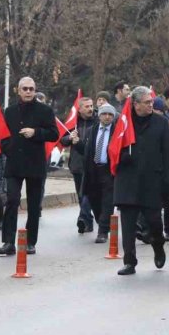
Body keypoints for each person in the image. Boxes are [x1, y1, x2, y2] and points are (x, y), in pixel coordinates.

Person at [114, 86, 169, 275]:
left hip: (152, 181)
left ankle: (158, 244)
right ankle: (129, 261)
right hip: (128, 180)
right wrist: (122, 157)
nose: (151, 105)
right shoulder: (123, 122)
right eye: (147, 102)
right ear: (136, 104)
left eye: (151, 101)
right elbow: (114, 146)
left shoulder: (161, 123)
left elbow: (168, 154)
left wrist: (168, 179)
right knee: (128, 225)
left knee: (155, 221)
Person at [0, 77, 59, 256]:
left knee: (33, 204)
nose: (28, 92)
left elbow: (54, 134)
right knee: (12, 200)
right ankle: (8, 242)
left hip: (35, 163)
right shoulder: (9, 111)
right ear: (18, 90)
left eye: (31, 89)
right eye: (25, 89)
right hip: (15, 163)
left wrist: (36, 132)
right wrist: (8, 149)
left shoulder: (45, 110)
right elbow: (3, 135)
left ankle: (30, 241)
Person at [77, 104, 117, 243]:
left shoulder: (117, 131)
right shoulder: (91, 130)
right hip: (93, 169)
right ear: (99, 115)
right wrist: (76, 143)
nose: (107, 117)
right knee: (94, 199)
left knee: (107, 201)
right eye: (104, 114)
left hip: (109, 170)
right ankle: (103, 223)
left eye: (110, 115)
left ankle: (103, 231)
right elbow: (85, 150)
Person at [60, 96, 97, 234]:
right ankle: (87, 221)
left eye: (91, 106)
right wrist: (69, 138)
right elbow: (62, 140)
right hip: (77, 164)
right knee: (81, 194)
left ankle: (83, 217)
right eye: (86, 106)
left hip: (93, 164)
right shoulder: (74, 123)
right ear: (79, 109)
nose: (90, 109)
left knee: (87, 192)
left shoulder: (97, 121)